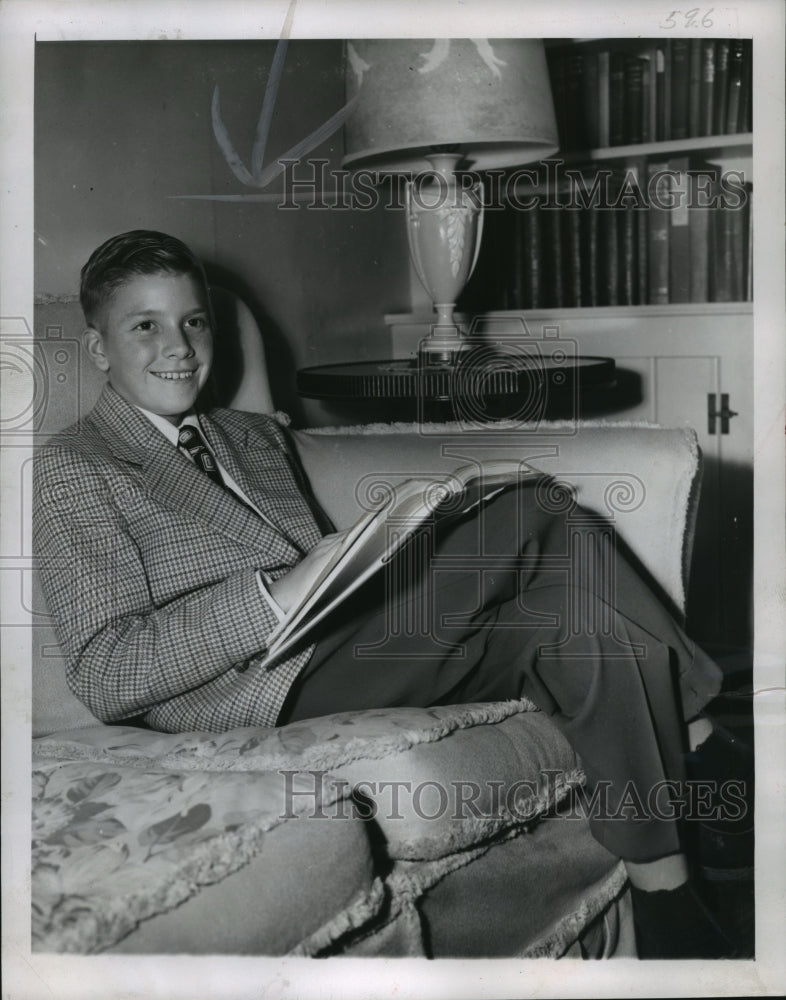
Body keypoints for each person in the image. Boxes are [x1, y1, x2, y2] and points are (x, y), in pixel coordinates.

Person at [34, 230, 752, 959]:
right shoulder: (74, 464)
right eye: (145, 326)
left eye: (192, 321)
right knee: (539, 513)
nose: (179, 346)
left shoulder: (250, 436)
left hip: (345, 638)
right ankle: (702, 735)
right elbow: (105, 670)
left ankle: (661, 888)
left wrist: (405, 537)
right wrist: (275, 596)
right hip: (253, 689)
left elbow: (330, 570)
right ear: (99, 349)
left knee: (572, 617)